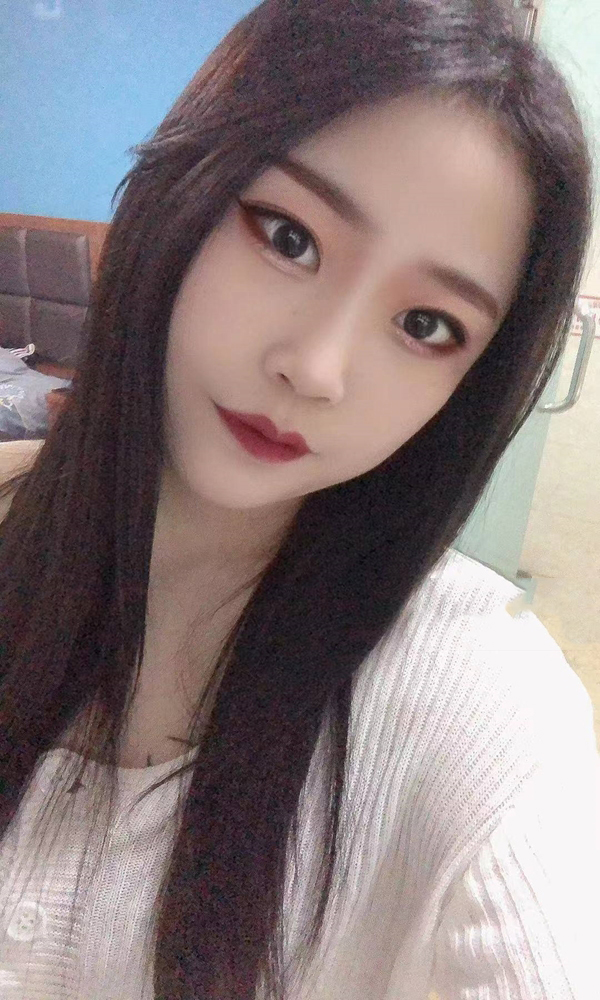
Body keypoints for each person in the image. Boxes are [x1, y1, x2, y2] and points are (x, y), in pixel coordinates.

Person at [0, 0, 598, 997]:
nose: (317, 368)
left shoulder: (485, 702)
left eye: (426, 324)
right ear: (188, 188)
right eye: (289, 237)